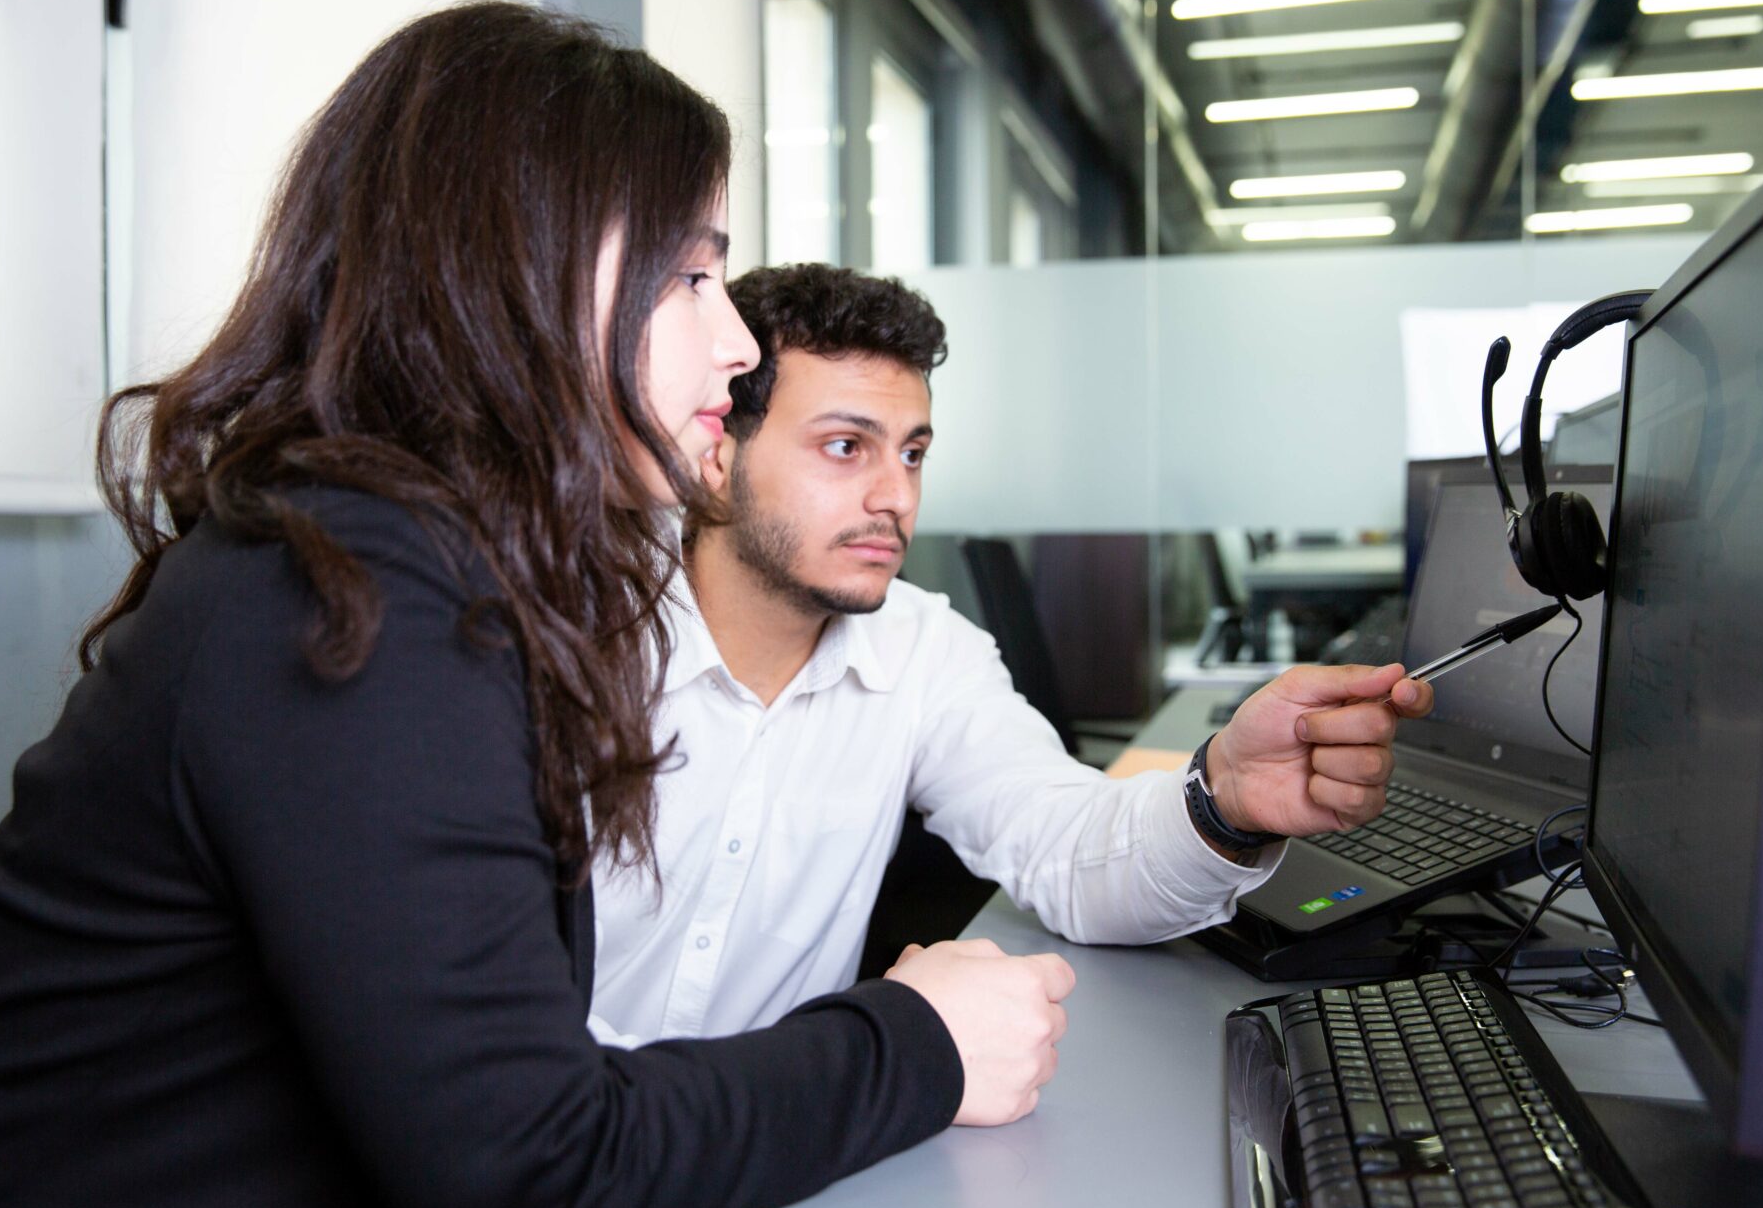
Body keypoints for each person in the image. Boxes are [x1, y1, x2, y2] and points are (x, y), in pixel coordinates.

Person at [0, 4, 1073, 1208]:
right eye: (691, 275)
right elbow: (532, 1174)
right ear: (516, 274)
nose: (736, 342)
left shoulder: (437, 564)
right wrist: (918, 1043)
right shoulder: (353, 590)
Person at [589, 263, 1434, 1044]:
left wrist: (1225, 799)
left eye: (913, 452)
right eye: (846, 447)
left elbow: (1068, 848)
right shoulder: (571, 639)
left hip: (776, 1163)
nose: (896, 497)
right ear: (716, 455)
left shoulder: (923, 651)